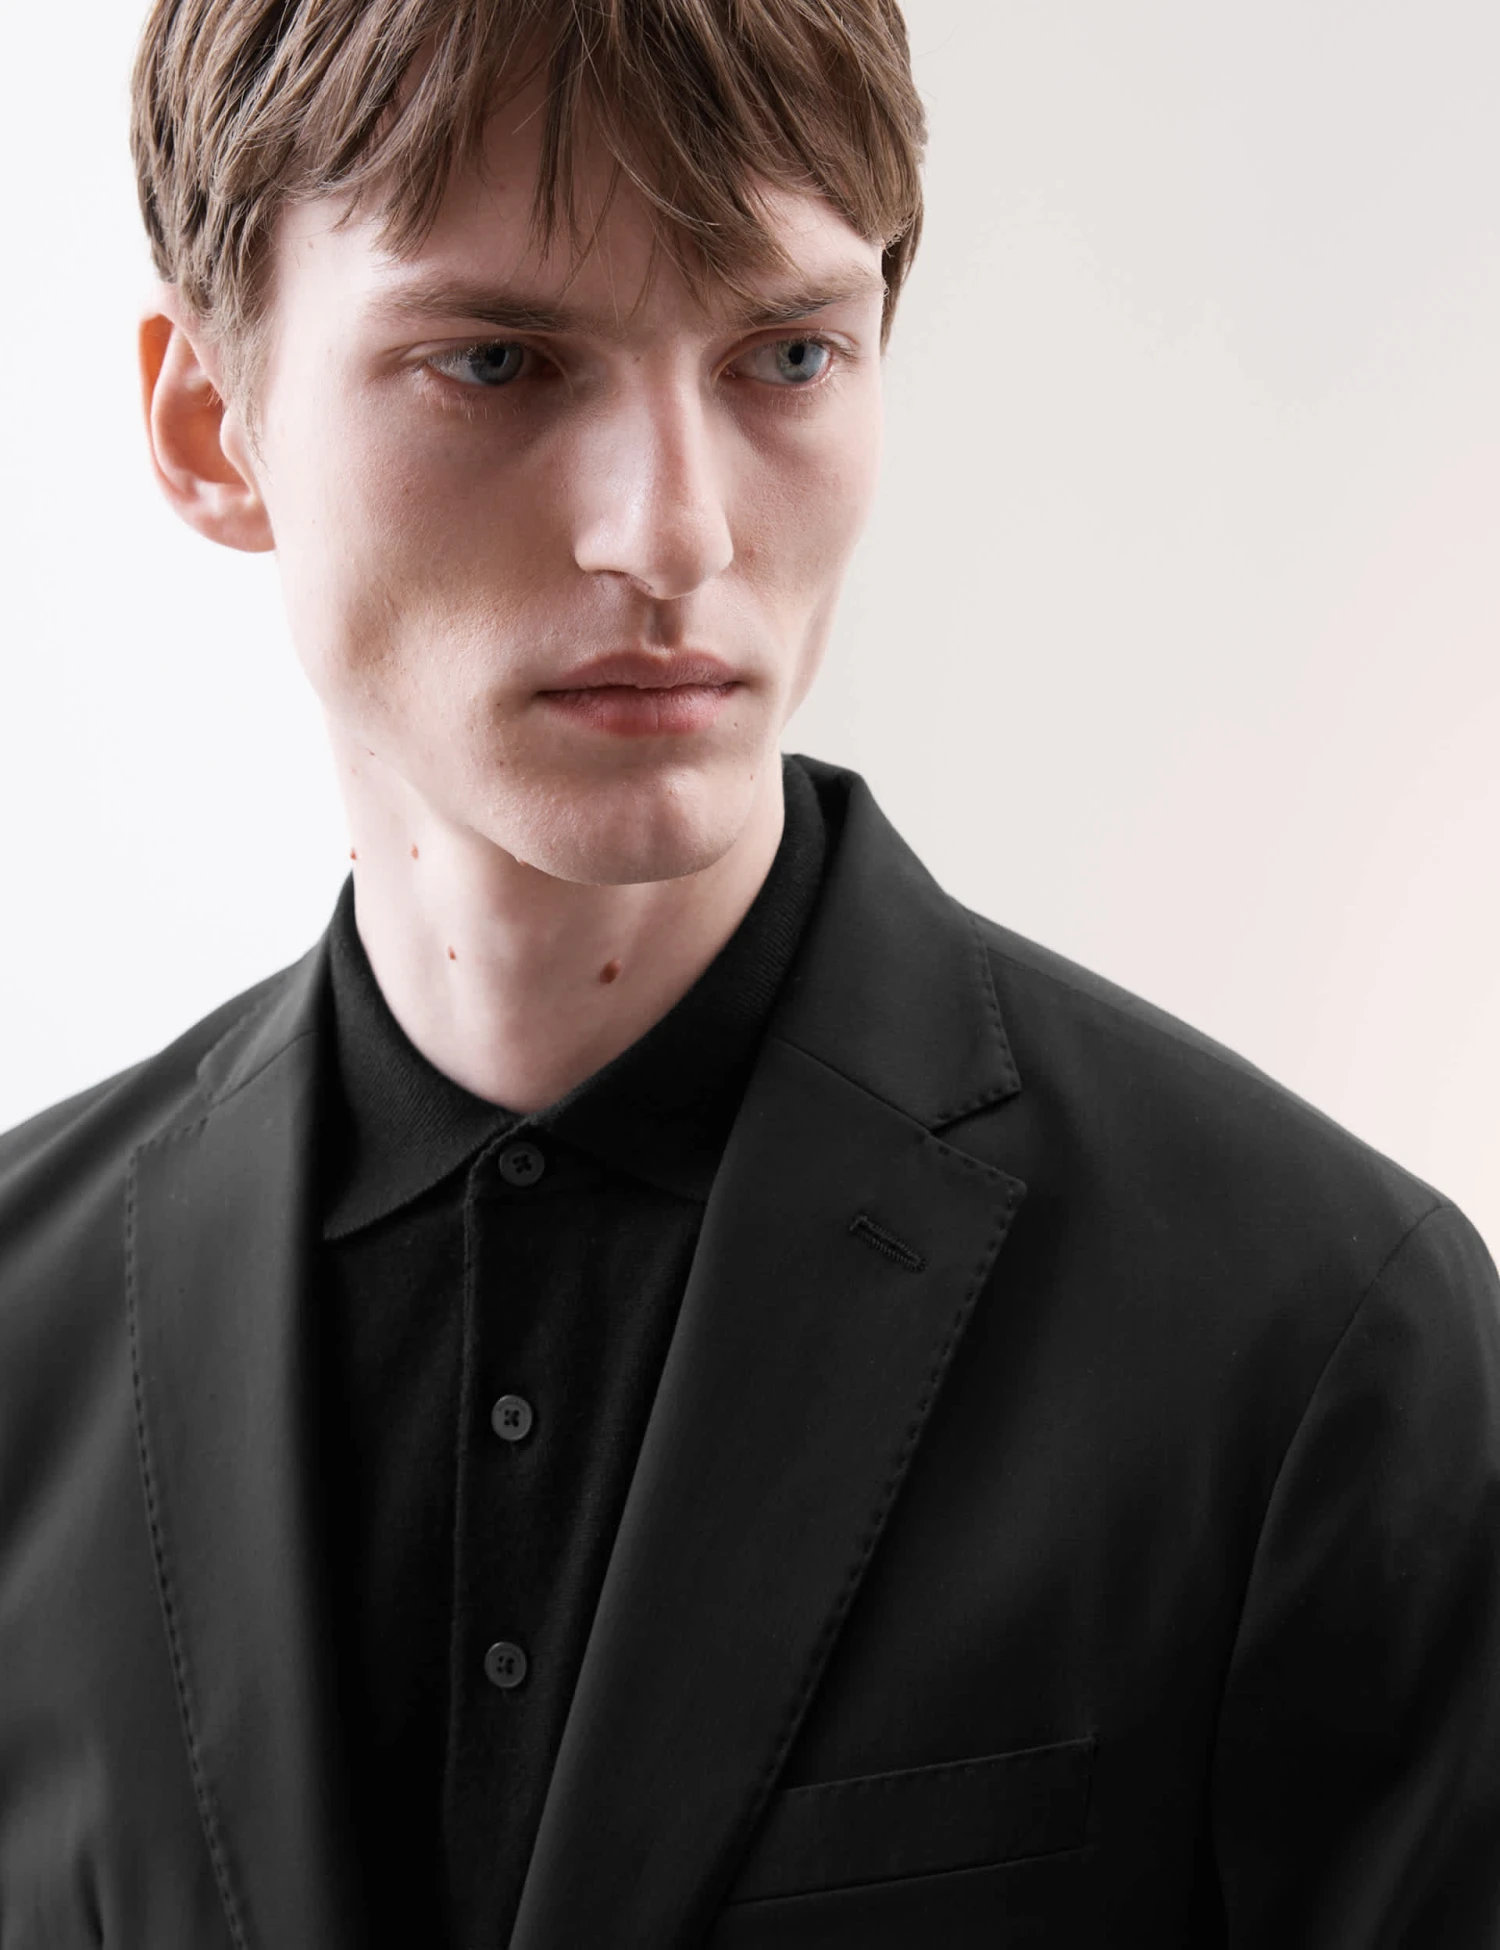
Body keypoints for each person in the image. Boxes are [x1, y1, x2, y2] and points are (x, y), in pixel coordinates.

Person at [1, 0, 1497, 1943]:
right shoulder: (20, 1344)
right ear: (212, 424)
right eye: (498, 361)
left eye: (786, 354)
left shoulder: (1319, 1347)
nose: (673, 529)